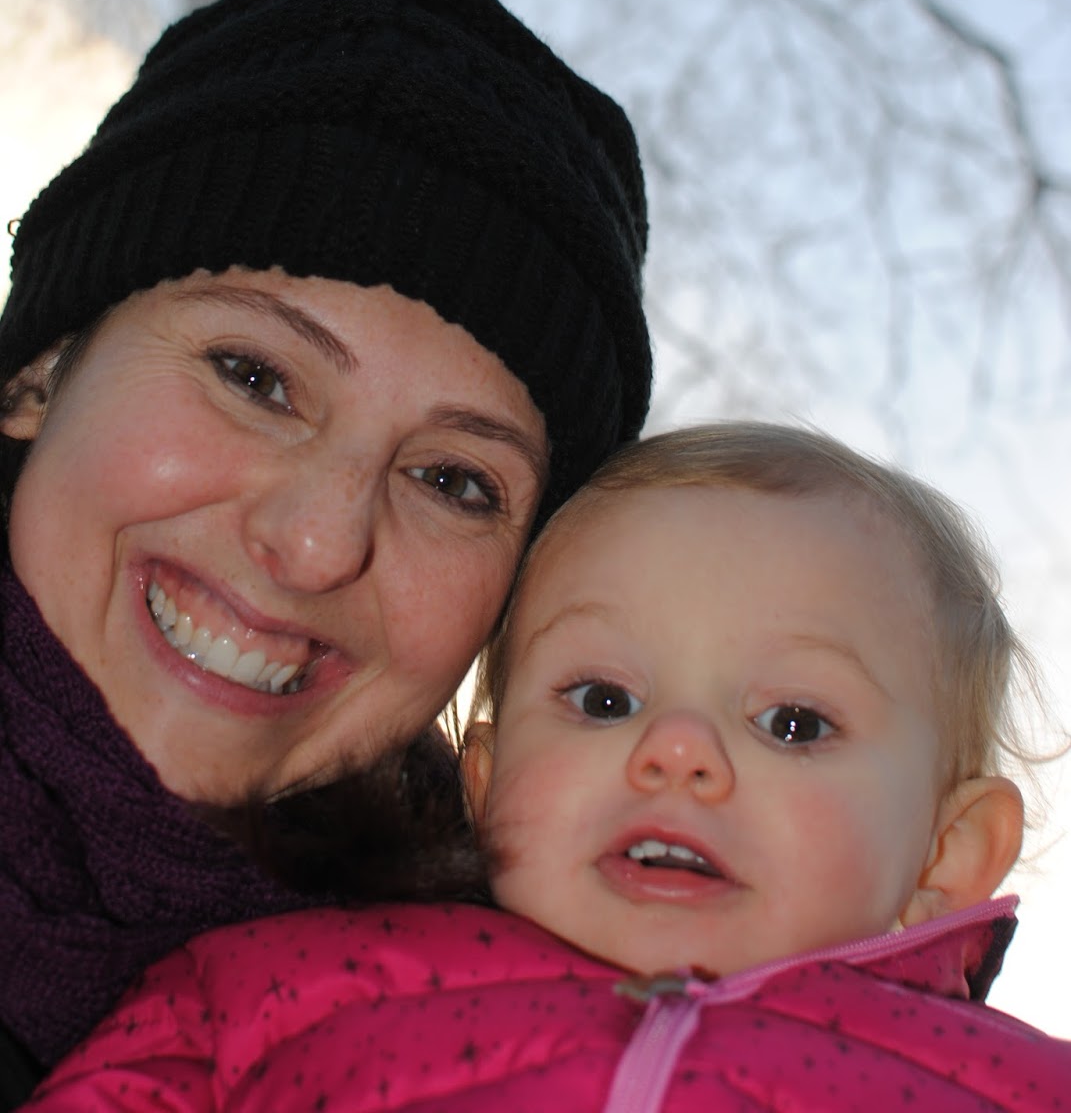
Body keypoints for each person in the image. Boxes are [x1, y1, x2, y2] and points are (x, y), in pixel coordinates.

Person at [0, 0, 653, 1107]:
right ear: (43, 370)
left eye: (454, 481)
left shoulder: (554, 1050)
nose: (316, 544)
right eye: (255, 377)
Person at [27, 423, 1070, 1112]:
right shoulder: (279, 984)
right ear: (485, 781)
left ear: (944, 852)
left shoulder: (1013, 1086)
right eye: (604, 700)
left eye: (792, 723)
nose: (676, 752)